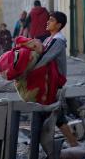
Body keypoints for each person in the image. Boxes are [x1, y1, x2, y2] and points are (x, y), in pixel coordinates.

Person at [31, 12, 79, 150]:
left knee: (52, 113)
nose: (48, 22)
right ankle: (72, 143)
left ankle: (72, 144)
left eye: (51, 20)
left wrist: (28, 70)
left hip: (54, 82)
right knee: (53, 113)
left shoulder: (58, 41)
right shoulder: (49, 39)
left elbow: (45, 58)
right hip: (47, 82)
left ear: (58, 25)